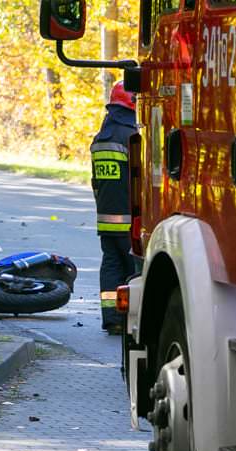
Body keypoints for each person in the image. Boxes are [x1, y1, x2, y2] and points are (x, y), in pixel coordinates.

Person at [90, 81, 137, 335]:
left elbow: (96, 182)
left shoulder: (101, 138)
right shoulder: (132, 136)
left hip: (106, 220)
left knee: (110, 267)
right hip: (130, 220)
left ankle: (112, 318)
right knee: (133, 272)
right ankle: (131, 320)